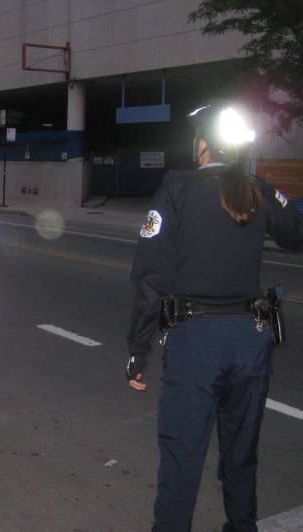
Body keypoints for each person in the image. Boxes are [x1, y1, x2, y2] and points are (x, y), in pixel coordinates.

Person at [125, 100, 303, 532]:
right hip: (250, 341)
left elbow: (150, 277)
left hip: (195, 345)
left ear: (201, 144)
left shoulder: (177, 187)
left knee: (182, 457)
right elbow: (296, 234)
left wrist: (137, 349)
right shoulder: (257, 189)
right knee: (241, 453)